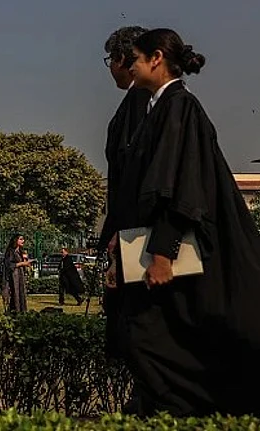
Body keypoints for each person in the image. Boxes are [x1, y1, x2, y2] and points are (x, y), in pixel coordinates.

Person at [105, 28, 260, 417]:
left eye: (136, 58)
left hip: (178, 249)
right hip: (153, 245)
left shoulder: (180, 107)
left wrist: (162, 250)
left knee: (160, 337)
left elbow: (180, 185)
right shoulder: (155, 108)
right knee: (152, 337)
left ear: (156, 58)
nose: (130, 67)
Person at [98, 25, 151, 361]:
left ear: (121, 59)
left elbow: (134, 172)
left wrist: (119, 231)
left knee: (136, 321)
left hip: (137, 231)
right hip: (138, 228)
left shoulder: (141, 100)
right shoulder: (149, 100)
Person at [2, 234, 32, 312]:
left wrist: (26, 260)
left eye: (23, 239)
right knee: (15, 293)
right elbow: (9, 265)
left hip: (20, 275)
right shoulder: (11, 251)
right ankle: (15, 310)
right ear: (16, 240)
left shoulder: (21, 251)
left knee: (21, 293)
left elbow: (24, 263)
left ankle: (22, 310)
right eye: (21, 239)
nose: (23, 241)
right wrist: (22, 264)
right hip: (13, 275)